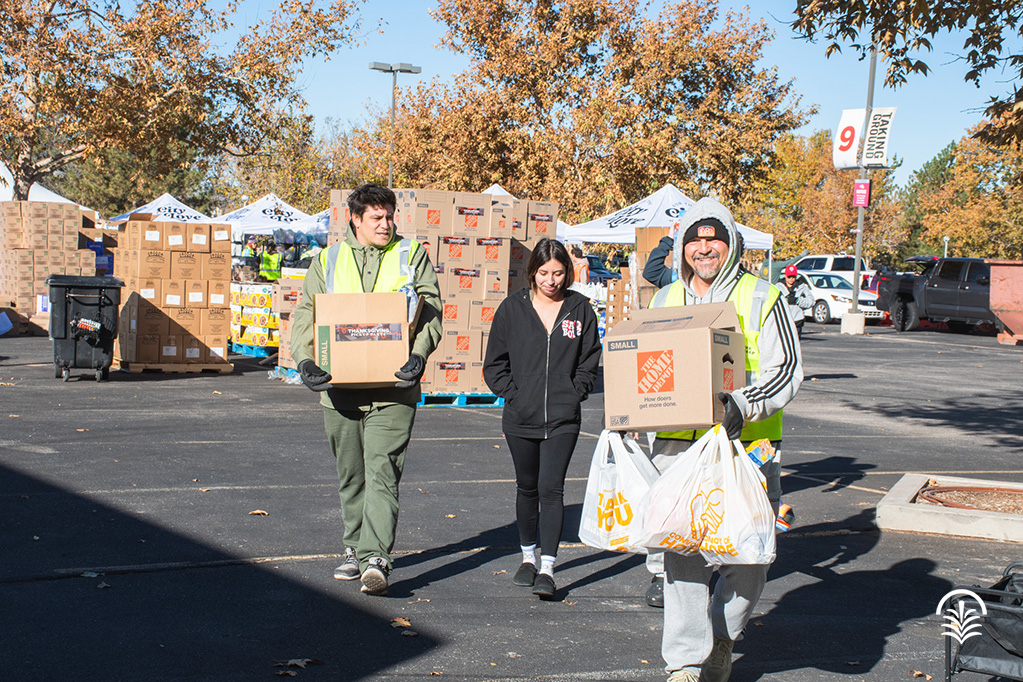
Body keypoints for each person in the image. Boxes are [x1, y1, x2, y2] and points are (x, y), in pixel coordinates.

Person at [645, 197, 803, 682]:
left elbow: (787, 369)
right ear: (682, 247)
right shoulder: (664, 300)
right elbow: (646, 370)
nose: (704, 248)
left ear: (730, 244)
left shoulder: (763, 297)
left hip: (747, 446)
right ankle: (685, 662)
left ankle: (721, 636)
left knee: (750, 553)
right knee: (682, 553)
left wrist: (743, 404)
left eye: (714, 239)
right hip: (678, 445)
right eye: (695, 240)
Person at [290, 183, 442, 597]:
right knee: (351, 475)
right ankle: (355, 548)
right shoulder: (327, 260)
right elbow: (306, 313)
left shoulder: (411, 254)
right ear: (355, 219)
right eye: (377, 217)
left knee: (383, 471)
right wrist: (304, 360)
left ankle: (376, 558)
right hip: (339, 388)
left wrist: (420, 354)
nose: (386, 224)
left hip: (394, 387)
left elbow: (431, 310)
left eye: (390, 216)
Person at [483, 238, 601, 600]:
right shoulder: (512, 309)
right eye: (544, 273)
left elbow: (590, 359)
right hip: (521, 416)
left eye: (559, 273)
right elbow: (494, 364)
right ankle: (527, 558)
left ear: (568, 273)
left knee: (552, 489)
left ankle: (548, 567)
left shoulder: (580, 309)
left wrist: (574, 391)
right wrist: (515, 395)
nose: (551, 280)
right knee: (527, 487)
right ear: (533, 271)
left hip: (563, 417)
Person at [776, 264, 813, 338]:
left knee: (796, 343)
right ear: (785, 276)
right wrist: (784, 300)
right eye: (789, 277)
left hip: (797, 320)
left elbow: (811, 302)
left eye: (793, 277)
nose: (791, 279)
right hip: (783, 320)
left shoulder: (802, 287)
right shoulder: (778, 287)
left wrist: (798, 300)